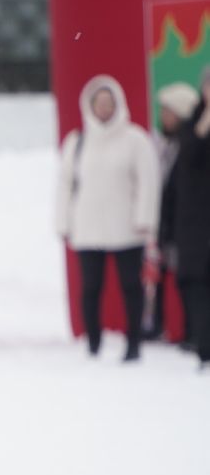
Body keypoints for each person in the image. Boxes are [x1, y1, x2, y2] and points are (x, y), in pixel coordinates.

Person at [56, 75, 161, 361]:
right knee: (90, 287)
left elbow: (148, 182)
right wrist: (63, 222)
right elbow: (66, 184)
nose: (104, 108)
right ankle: (93, 342)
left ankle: (133, 342)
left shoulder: (135, 139)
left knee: (131, 286)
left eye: (109, 102)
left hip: (126, 227)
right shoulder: (78, 142)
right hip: (88, 228)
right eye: (99, 103)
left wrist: (145, 220)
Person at [161, 70, 210, 369]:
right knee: (196, 286)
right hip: (195, 225)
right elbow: (189, 159)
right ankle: (203, 346)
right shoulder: (192, 126)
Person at [150, 83, 198, 342]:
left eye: (169, 112)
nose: (164, 117)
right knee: (161, 277)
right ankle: (159, 324)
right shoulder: (163, 145)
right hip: (166, 224)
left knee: (188, 281)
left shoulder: (192, 146)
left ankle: (191, 331)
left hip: (188, 226)